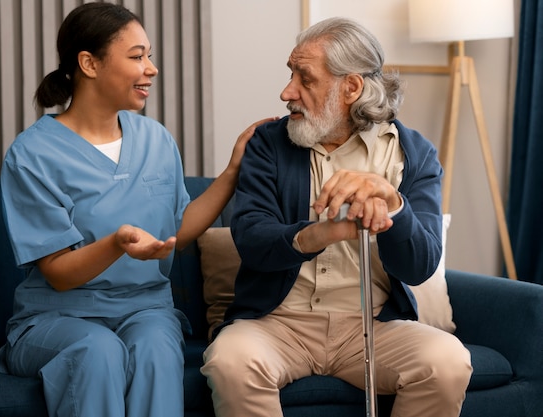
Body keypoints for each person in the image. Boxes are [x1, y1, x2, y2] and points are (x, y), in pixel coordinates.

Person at [0, 3, 274, 417]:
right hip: (58, 317)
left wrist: (234, 169)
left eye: (150, 55)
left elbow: (178, 230)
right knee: (99, 350)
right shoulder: (32, 153)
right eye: (137, 56)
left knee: (157, 350)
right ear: (89, 63)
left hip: (145, 309)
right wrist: (117, 243)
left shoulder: (156, 139)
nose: (152, 68)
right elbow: (57, 271)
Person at [200, 17, 472, 417]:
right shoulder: (268, 145)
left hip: (372, 327)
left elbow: (419, 266)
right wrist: (318, 234)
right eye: (290, 74)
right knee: (230, 360)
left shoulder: (412, 154)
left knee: (446, 362)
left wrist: (394, 205)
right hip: (278, 324)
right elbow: (253, 240)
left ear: (352, 87)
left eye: (304, 79)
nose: (286, 92)